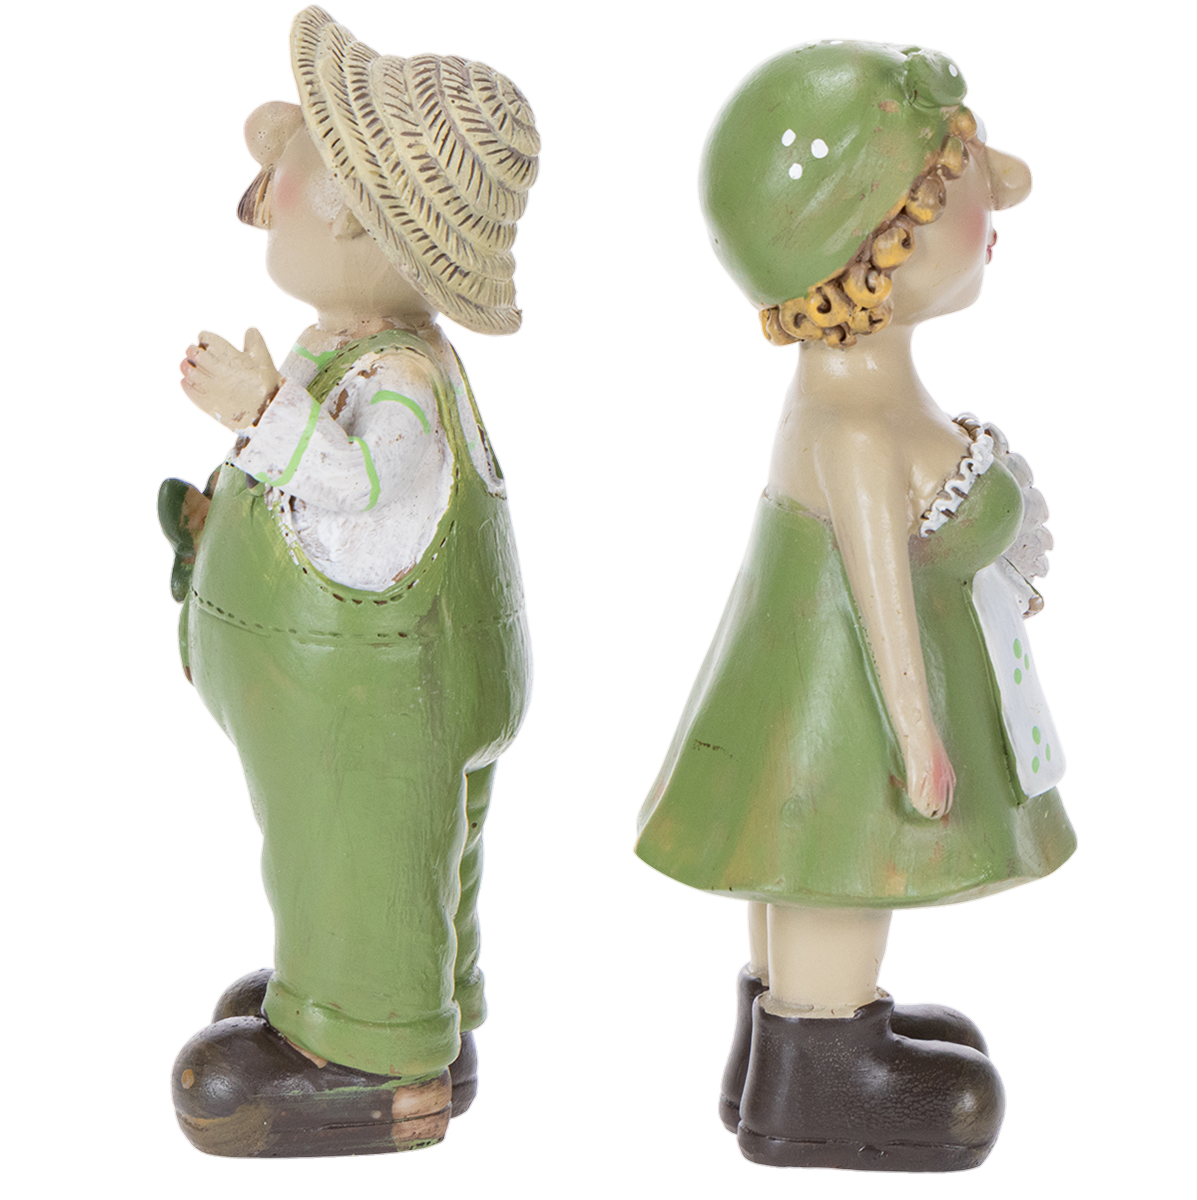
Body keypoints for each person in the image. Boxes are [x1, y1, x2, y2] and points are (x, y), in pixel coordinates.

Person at [635, 40, 1074, 1171]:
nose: (1003, 193)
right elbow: (880, 589)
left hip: (804, 684)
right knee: (835, 857)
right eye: (964, 182)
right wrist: (917, 734)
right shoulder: (855, 427)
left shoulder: (854, 399)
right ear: (883, 243)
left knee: (798, 857)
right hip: (845, 705)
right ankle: (824, 1064)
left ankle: (777, 1041)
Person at [158, 7, 539, 1156]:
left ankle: (374, 1049)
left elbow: (364, 481)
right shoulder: (353, 345)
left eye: (300, 156)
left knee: (365, 849)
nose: (266, 176)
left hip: (376, 705)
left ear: (369, 218)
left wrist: (259, 412)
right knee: (379, 861)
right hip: (357, 695)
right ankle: (397, 1005)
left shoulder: (404, 378)